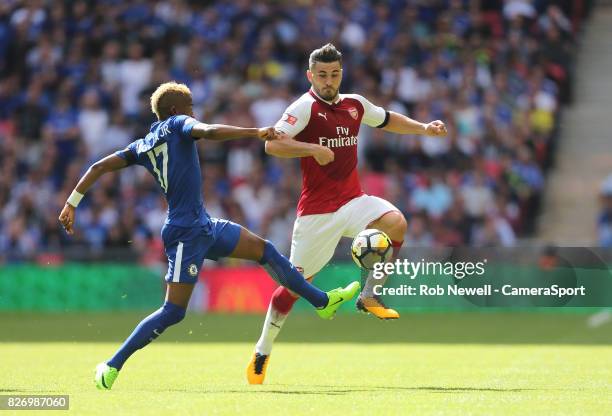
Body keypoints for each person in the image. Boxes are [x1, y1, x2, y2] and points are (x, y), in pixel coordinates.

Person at [58, 81, 360, 391]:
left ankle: (322, 302)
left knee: (265, 250)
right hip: (185, 232)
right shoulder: (177, 124)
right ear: (176, 111)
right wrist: (253, 132)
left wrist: (72, 203)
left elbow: (98, 166)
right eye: (190, 108)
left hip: (203, 225)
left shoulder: (142, 145)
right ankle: (112, 365)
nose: (193, 112)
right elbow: (210, 131)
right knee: (173, 311)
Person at [247, 44, 447, 384]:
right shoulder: (304, 107)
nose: (329, 81)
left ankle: (369, 294)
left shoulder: (355, 104)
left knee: (396, 222)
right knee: (292, 289)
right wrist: (311, 148)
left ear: (341, 73)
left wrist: (424, 128)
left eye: (334, 74)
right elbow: (272, 143)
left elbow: (387, 119)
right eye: (322, 75)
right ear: (311, 76)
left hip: (354, 200)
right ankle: (262, 350)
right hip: (317, 214)